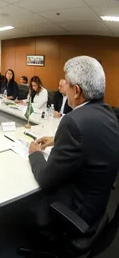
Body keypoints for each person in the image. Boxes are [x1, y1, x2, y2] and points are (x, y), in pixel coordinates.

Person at [28, 56, 119, 229]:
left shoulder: (73, 121)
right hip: (97, 205)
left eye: (66, 85)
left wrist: (35, 153)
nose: (64, 89)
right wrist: (57, 140)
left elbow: (45, 177)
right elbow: (91, 141)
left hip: (75, 211)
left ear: (76, 90)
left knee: (31, 197)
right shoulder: (108, 113)